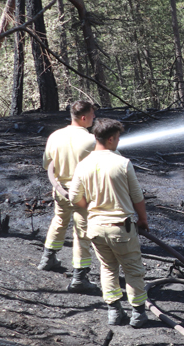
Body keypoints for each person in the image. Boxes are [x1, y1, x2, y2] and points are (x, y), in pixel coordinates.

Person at [70, 118, 150, 327]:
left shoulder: (83, 164)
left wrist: (91, 209)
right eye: (118, 138)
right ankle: (138, 314)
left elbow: (74, 198)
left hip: (95, 228)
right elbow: (137, 197)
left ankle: (114, 312)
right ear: (112, 138)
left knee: (107, 268)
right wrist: (142, 220)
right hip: (120, 228)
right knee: (133, 270)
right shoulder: (122, 163)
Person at [38, 101, 98, 293]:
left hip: (61, 190)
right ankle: (80, 277)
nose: (94, 118)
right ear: (83, 117)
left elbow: (46, 164)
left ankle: (48, 258)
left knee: (59, 220)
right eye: (92, 115)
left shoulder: (55, 136)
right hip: (83, 194)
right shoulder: (91, 140)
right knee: (82, 232)